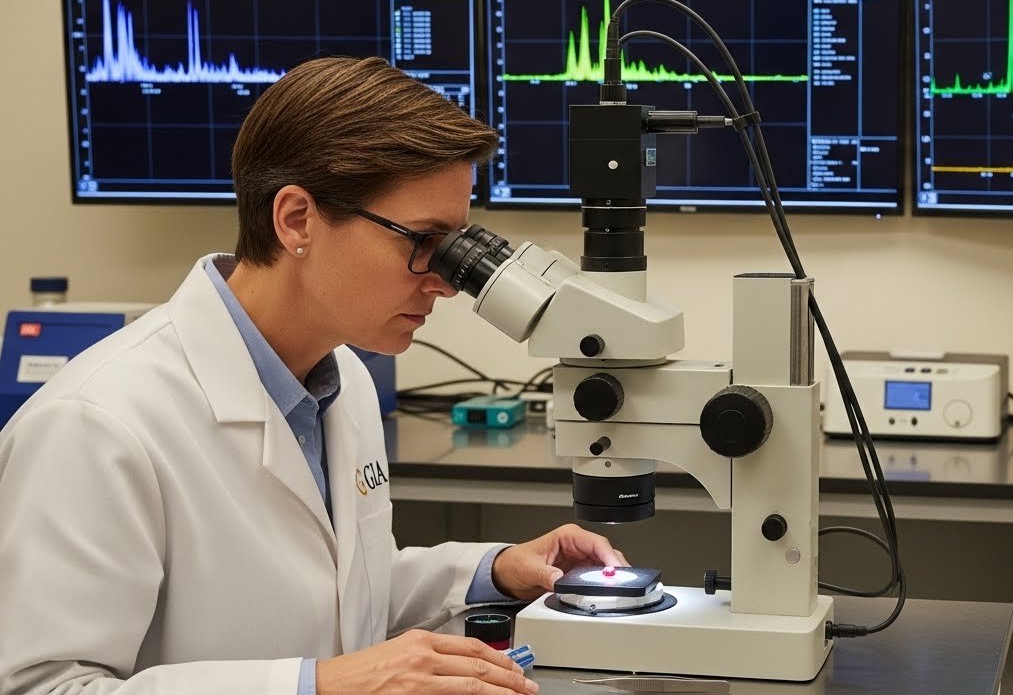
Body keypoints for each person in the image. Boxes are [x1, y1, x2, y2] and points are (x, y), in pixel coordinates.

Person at [0, 56, 626, 695]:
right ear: (297, 219)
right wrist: (315, 685)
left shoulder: (341, 380)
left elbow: (337, 591)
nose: (445, 281)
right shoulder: (95, 427)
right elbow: (43, 686)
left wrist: (493, 570)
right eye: (422, 240)